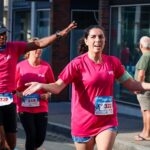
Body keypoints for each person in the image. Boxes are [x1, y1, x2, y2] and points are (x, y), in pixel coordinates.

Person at [23, 25, 150, 150]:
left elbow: (132, 84)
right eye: (93, 37)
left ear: (105, 40)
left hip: (107, 120)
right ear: (86, 41)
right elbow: (57, 87)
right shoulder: (77, 64)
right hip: (83, 122)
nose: (97, 40)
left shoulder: (113, 62)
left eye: (101, 37)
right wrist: (41, 85)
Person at [0, 21, 77, 150]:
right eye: (0, 34)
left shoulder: (13, 47)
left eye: (4, 34)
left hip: (9, 101)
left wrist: (59, 34)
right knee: (1, 141)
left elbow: (39, 43)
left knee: (11, 143)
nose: (2, 36)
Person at [15, 37, 55, 150]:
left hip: (41, 107)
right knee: (31, 135)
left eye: (40, 48)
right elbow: (12, 86)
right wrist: (17, 93)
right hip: (24, 107)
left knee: (40, 138)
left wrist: (47, 95)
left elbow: (53, 86)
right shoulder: (20, 66)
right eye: (36, 48)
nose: (38, 50)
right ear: (29, 51)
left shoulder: (46, 67)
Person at [134, 36, 150, 141]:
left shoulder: (145, 56)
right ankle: (144, 132)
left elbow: (141, 74)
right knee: (145, 110)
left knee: (146, 111)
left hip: (144, 89)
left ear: (141, 46)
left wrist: (138, 86)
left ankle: (147, 134)